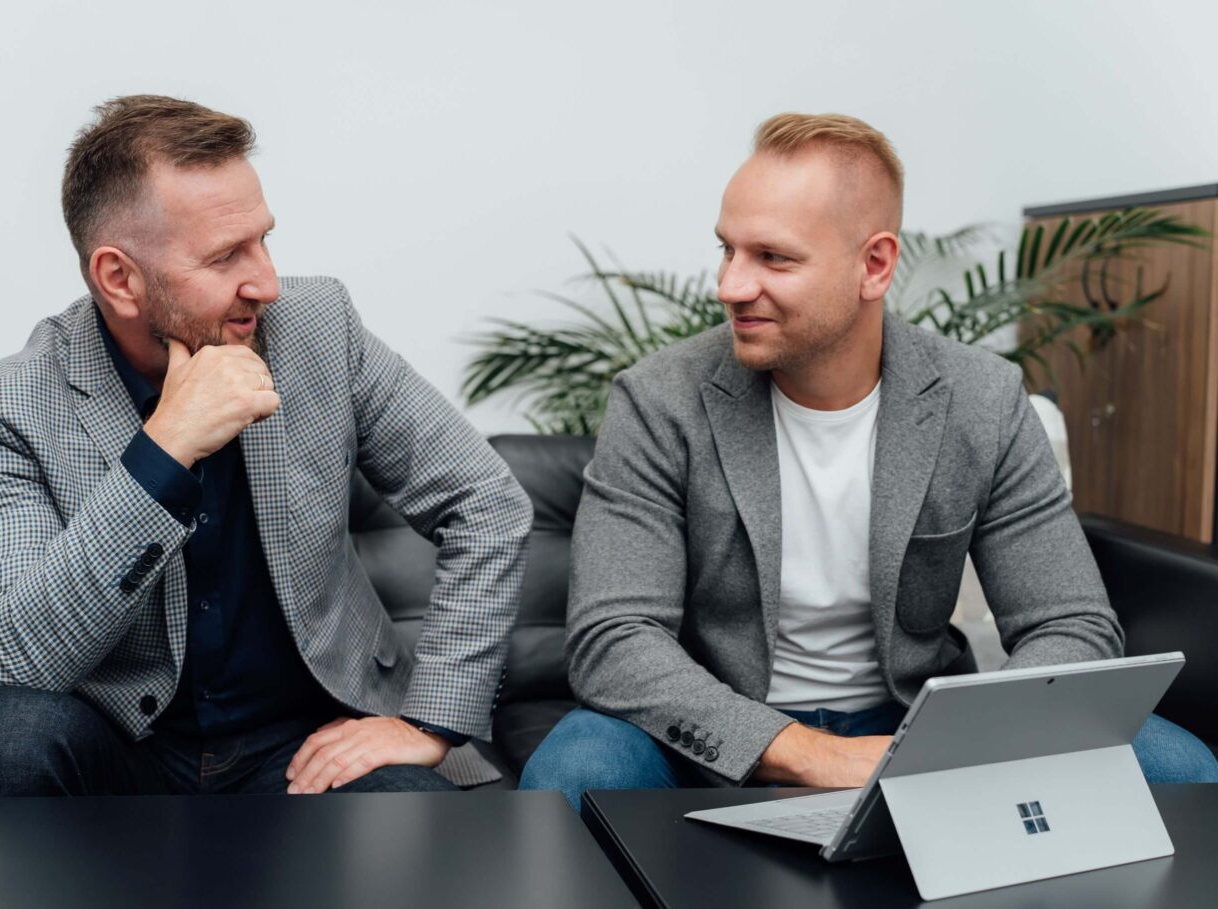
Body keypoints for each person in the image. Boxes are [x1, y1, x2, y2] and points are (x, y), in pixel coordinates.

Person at [520, 112, 1218, 810]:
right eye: (727, 250)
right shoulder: (658, 400)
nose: (730, 285)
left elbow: (1070, 624)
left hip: (917, 723)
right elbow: (614, 639)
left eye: (773, 258)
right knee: (577, 770)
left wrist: (970, 742)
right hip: (715, 730)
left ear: (875, 265)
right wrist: (807, 753)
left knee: (1179, 766)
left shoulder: (982, 399)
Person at [0, 95, 532, 797]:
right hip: (120, 743)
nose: (267, 283)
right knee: (6, 738)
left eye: (263, 240)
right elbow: (24, 653)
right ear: (119, 278)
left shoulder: (320, 328)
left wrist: (430, 720)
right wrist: (165, 448)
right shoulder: (3, 406)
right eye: (225, 256)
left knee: (414, 813)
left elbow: (487, 503)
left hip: (302, 741)